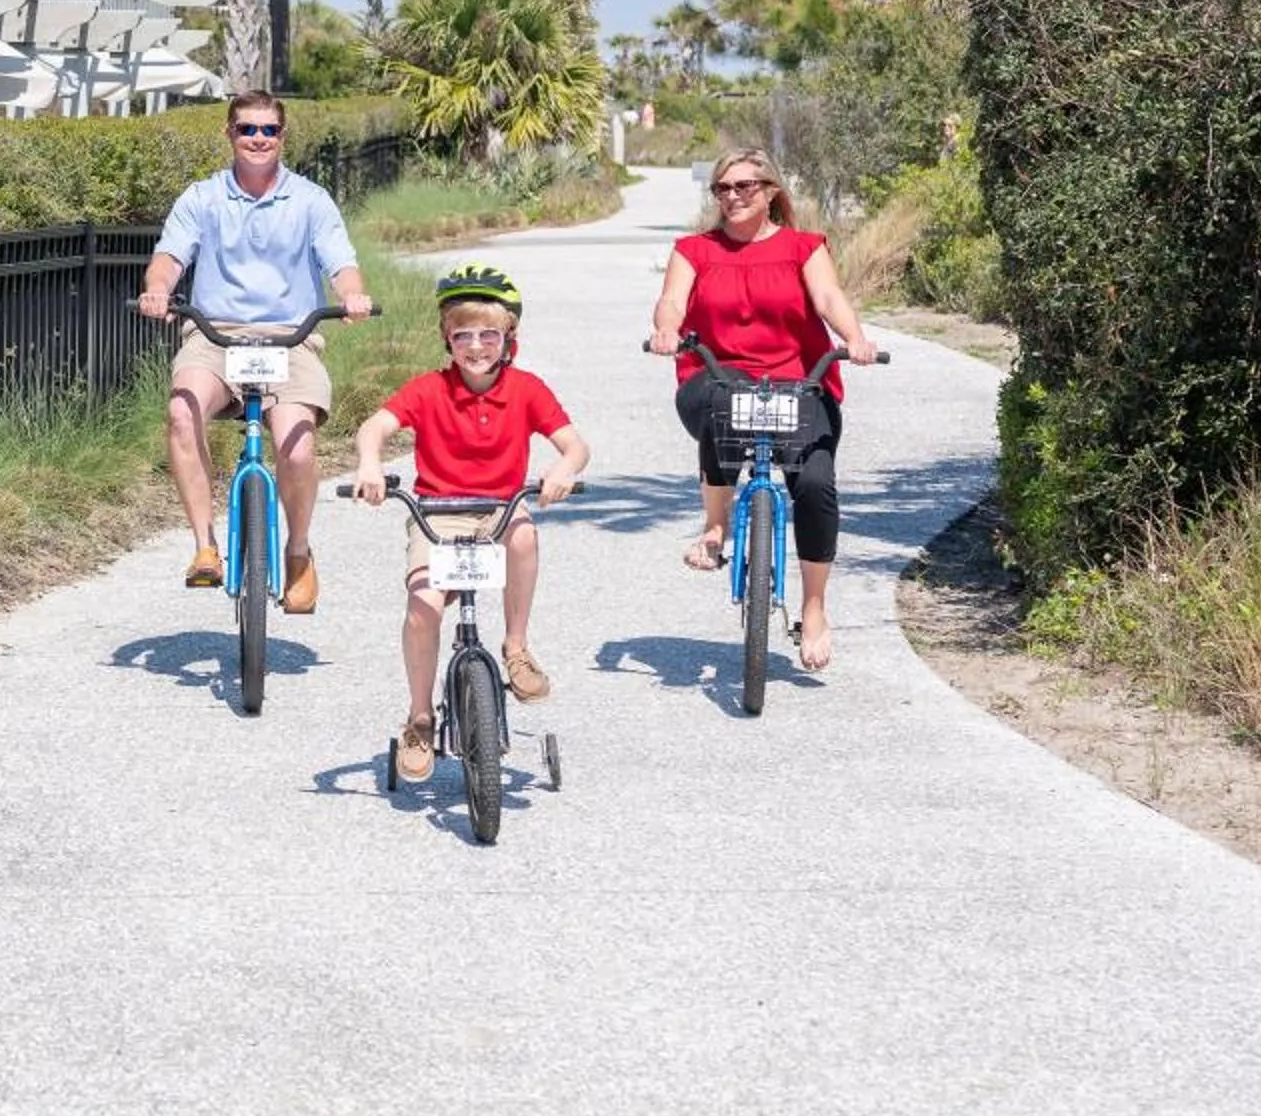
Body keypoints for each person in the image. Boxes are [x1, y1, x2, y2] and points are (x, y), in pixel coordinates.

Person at [347, 265, 589, 783]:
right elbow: (376, 426)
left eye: (488, 335)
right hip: (439, 514)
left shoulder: (526, 389)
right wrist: (370, 463)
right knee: (423, 608)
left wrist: (563, 469)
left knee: (524, 532)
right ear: (446, 338)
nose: (476, 346)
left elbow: (575, 445)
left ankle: (517, 648)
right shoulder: (429, 389)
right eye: (463, 335)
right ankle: (418, 717)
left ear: (508, 338)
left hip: (500, 508)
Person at [134, 93, 374, 614]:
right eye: (247, 130)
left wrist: (352, 295)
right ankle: (204, 546)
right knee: (182, 410)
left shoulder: (311, 200)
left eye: (269, 130)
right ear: (230, 135)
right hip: (216, 334)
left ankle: (298, 552)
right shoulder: (202, 198)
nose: (259, 139)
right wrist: (158, 290)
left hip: (291, 336)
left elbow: (341, 263)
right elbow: (168, 260)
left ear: (283, 137)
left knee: (298, 448)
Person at [646, 147, 879, 671]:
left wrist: (856, 337)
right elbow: (672, 301)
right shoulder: (695, 249)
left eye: (745, 186)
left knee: (816, 485)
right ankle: (716, 526)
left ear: (771, 191)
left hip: (800, 382)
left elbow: (828, 297)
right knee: (720, 406)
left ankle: (814, 608)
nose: (733, 197)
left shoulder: (803, 246)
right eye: (723, 189)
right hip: (716, 374)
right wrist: (666, 329)